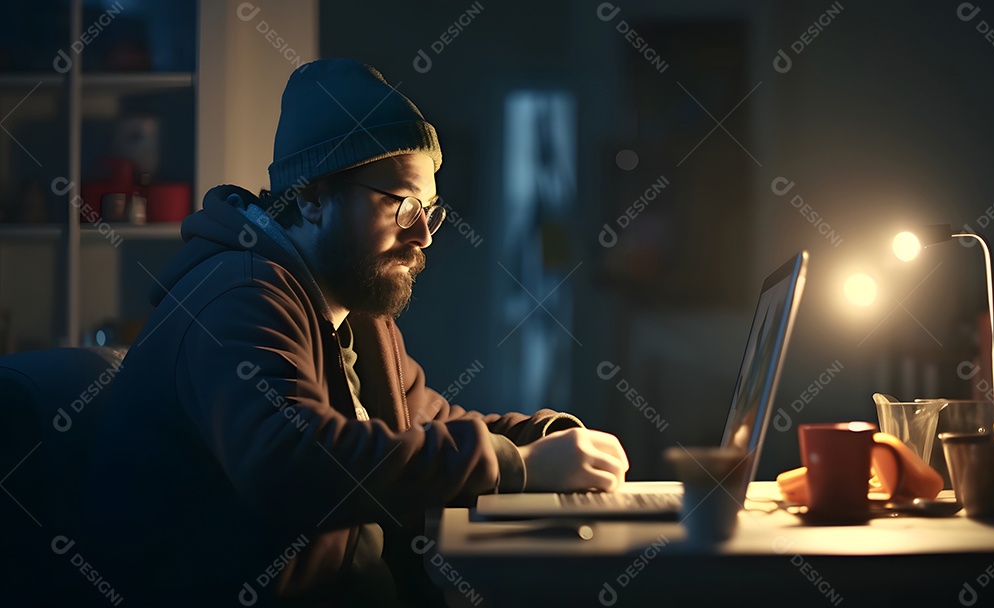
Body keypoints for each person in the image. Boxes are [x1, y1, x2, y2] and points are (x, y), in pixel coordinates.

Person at [79, 59, 628, 607]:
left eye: (430, 211)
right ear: (313, 197)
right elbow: (293, 461)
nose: (424, 236)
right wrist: (519, 467)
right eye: (405, 205)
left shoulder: (355, 313)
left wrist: (546, 437)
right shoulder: (238, 298)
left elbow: (424, 425)